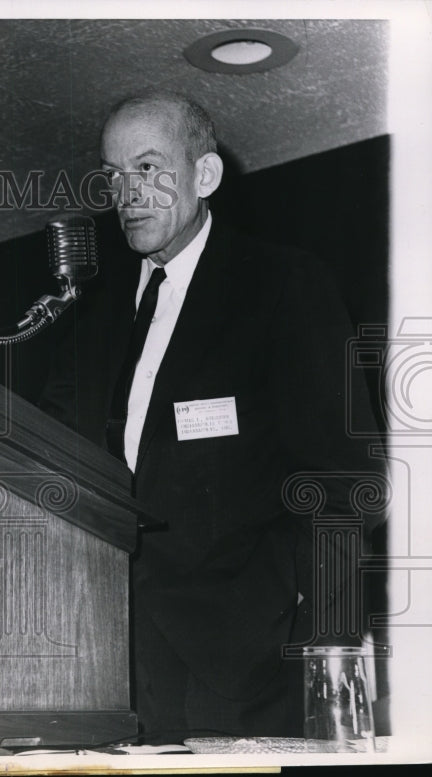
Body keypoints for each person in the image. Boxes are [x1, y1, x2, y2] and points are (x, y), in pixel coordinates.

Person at [38, 90, 381, 742]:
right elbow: (50, 456)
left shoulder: (282, 285)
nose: (126, 193)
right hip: (106, 658)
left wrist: (318, 647)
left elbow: (345, 481)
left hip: (245, 658)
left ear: (205, 175)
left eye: (147, 167)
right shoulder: (91, 314)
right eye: (113, 175)